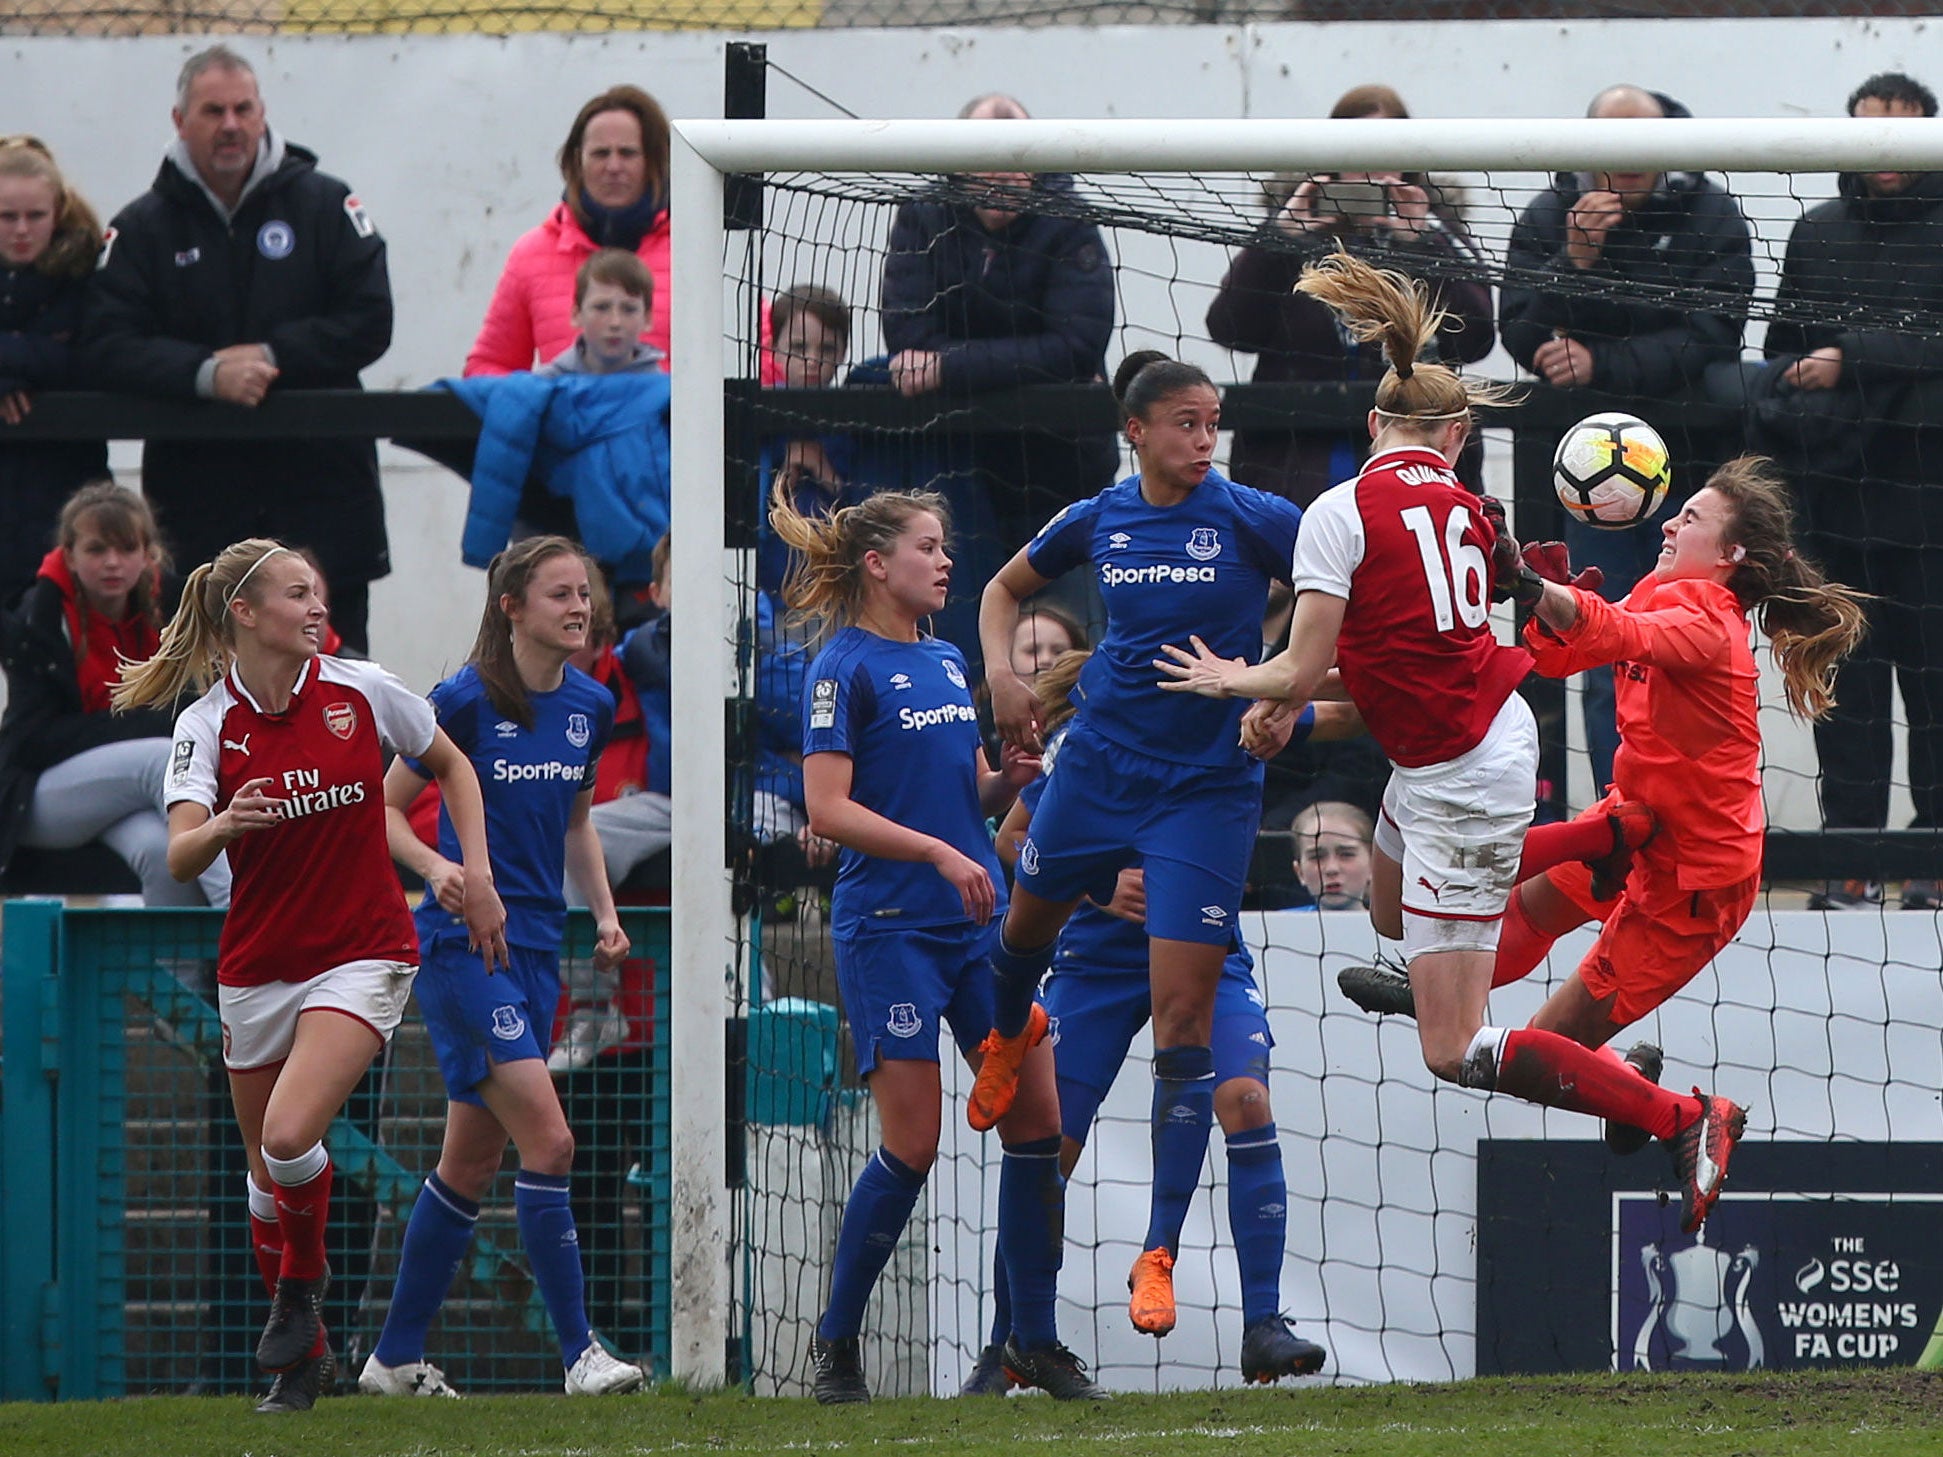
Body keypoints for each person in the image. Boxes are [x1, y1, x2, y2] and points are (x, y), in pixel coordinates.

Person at [1156, 252, 1748, 1236]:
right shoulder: (1469, 511)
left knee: (1453, 1046)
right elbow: (1391, 669)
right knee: (1389, 909)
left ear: (1370, 424)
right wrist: (1290, 704)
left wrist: (1239, 681)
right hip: (1457, 751)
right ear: (1458, 434)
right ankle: (1583, 866)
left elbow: (1304, 667)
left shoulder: (1340, 511)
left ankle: (1685, 1115)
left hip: (1463, 774)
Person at [1334, 460, 1868, 1157]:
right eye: (1676, 512)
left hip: (1690, 885)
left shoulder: (1707, 621)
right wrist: (1538, 600)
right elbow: (1566, 654)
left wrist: (1532, 584)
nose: (1670, 522)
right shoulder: (1657, 589)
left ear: (1732, 554)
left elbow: (1616, 631)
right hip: (1633, 825)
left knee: (1544, 1055)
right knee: (1519, 916)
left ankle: (1682, 1112)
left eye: (1692, 518)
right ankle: (1469, 1005)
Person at [113, 538, 507, 1414]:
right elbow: (179, 854)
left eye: (318, 591)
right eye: (297, 593)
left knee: (290, 1136)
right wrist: (223, 825)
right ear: (244, 614)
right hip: (258, 964)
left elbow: (452, 764)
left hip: (365, 948)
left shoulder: (362, 688)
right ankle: (303, 1364)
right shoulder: (206, 722)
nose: (316, 607)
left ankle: (298, 1298)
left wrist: (474, 874)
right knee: (265, 1175)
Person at [969, 349, 1305, 1331]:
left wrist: (1282, 692)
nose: (1204, 441)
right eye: (1186, 423)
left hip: (1204, 790)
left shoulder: (1253, 518)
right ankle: (1004, 1031)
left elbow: (1346, 612)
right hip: (1101, 767)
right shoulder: (1098, 517)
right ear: (1136, 430)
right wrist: (1000, 673)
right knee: (1020, 930)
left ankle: (1155, 1253)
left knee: (1187, 1028)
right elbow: (998, 590)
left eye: (1213, 424)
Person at [774, 486, 1103, 1403]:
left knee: (1037, 1121)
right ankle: (834, 1348)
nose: (945, 560)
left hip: (972, 928)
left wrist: (1010, 780)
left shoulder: (951, 657)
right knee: (912, 1143)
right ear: (878, 564)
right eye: (927, 546)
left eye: (945, 546)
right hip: (889, 930)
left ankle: (1026, 1344)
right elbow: (827, 809)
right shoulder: (843, 666)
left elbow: (965, 794)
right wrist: (934, 849)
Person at [962, 649, 1331, 1393]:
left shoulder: (1229, 711)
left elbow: (1343, 711)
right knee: (1047, 1142)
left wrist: (1293, 699)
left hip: (1205, 955)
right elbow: (1010, 839)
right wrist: (1100, 887)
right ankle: (1009, 1344)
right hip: (1096, 962)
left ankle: (1262, 1322)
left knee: (1245, 1098)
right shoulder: (1089, 747)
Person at [362, 536, 644, 1399]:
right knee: (551, 1139)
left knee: (468, 1166)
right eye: (559, 593)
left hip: (538, 950)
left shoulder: (591, 703)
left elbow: (575, 822)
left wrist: (602, 913)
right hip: (463, 950)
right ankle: (580, 1355)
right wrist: (441, 871)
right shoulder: (465, 699)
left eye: (586, 594)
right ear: (510, 606)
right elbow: (386, 812)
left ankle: (392, 1358)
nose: (579, 607)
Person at [80, 45, 393, 653]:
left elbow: (371, 319)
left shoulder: (327, 205)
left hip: (323, 498)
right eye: (212, 110)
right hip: (199, 512)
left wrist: (275, 356)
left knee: (340, 693)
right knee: (206, 696)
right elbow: (105, 343)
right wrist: (204, 374)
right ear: (180, 121)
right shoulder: (143, 228)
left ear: (262, 113)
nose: (230, 125)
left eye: (242, 109)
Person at [1499, 83, 1755, 793]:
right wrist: (1574, 260)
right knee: (1601, 637)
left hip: (1694, 476)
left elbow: (1712, 333)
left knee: (1697, 644)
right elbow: (1517, 326)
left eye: (1645, 144)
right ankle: (1622, 799)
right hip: (1592, 485)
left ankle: (1696, 796)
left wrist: (1598, 363)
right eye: (1613, 146)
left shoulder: (1712, 214)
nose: (1630, 162)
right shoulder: (1552, 216)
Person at [1760, 72, 1943, 911]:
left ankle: (1931, 865)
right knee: (1849, 698)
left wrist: (1854, 360)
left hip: (1932, 517)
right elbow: (1786, 352)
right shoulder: (1817, 233)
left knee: (1935, 695)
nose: (1885, 157)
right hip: (1837, 511)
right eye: (1870, 135)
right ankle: (1849, 862)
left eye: (1901, 137)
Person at [879, 92, 1117, 618]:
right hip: (953, 474)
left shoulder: (1070, 220)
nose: (999, 181)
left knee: (1065, 642)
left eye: (1014, 167)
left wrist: (950, 368)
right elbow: (905, 331)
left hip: (1061, 475)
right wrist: (1017, 364)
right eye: (984, 165)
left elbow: (1076, 346)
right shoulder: (924, 215)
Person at [1205, 83, 1495, 508]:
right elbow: (1229, 327)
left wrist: (1424, 242)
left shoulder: (1435, 233)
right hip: (1300, 459)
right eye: (1359, 152)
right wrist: (1280, 238)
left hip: (1417, 457)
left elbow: (1476, 338)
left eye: (1388, 152)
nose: (1373, 171)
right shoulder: (1291, 235)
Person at [0, 480, 225, 907]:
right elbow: (33, 742)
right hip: (38, 796)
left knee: (162, 854)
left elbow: (202, 707)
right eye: (96, 550)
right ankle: (243, 910)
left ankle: (183, 976)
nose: (112, 563)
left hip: (127, 789)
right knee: (163, 758)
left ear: (148, 554)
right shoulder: (39, 616)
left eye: (125, 549)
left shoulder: (177, 608)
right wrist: (142, 725)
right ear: (69, 555)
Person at [444, 250, 671, 603]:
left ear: (648, 319)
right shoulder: (533, 396)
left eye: (628, 308)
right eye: (601, 307)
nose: (615, 321)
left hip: (644, 575)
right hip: (552, 564)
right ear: (575, 313)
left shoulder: (673, 400)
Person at [467, 85, 671, 375]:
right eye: (600, 153)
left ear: (653, 160)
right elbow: (488, 365)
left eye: (628, 153)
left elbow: (757, 351)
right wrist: (542, 405)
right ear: (577, 161)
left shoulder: (693, 248)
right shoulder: (531, 255)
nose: (613, 166)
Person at [0, 136, 106, 608]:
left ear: (58, 213)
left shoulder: (89, 278)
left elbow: (95, 355)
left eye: (35, 216)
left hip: (64, 496)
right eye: (7, 218)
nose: (21, 230)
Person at [1289, 799, 1375, 911]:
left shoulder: (1396, 926)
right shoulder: (1277, 924)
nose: (1332, 869)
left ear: (1373, 866)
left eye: (1346, 854)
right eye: (1317, 857)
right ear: (1300, 872)